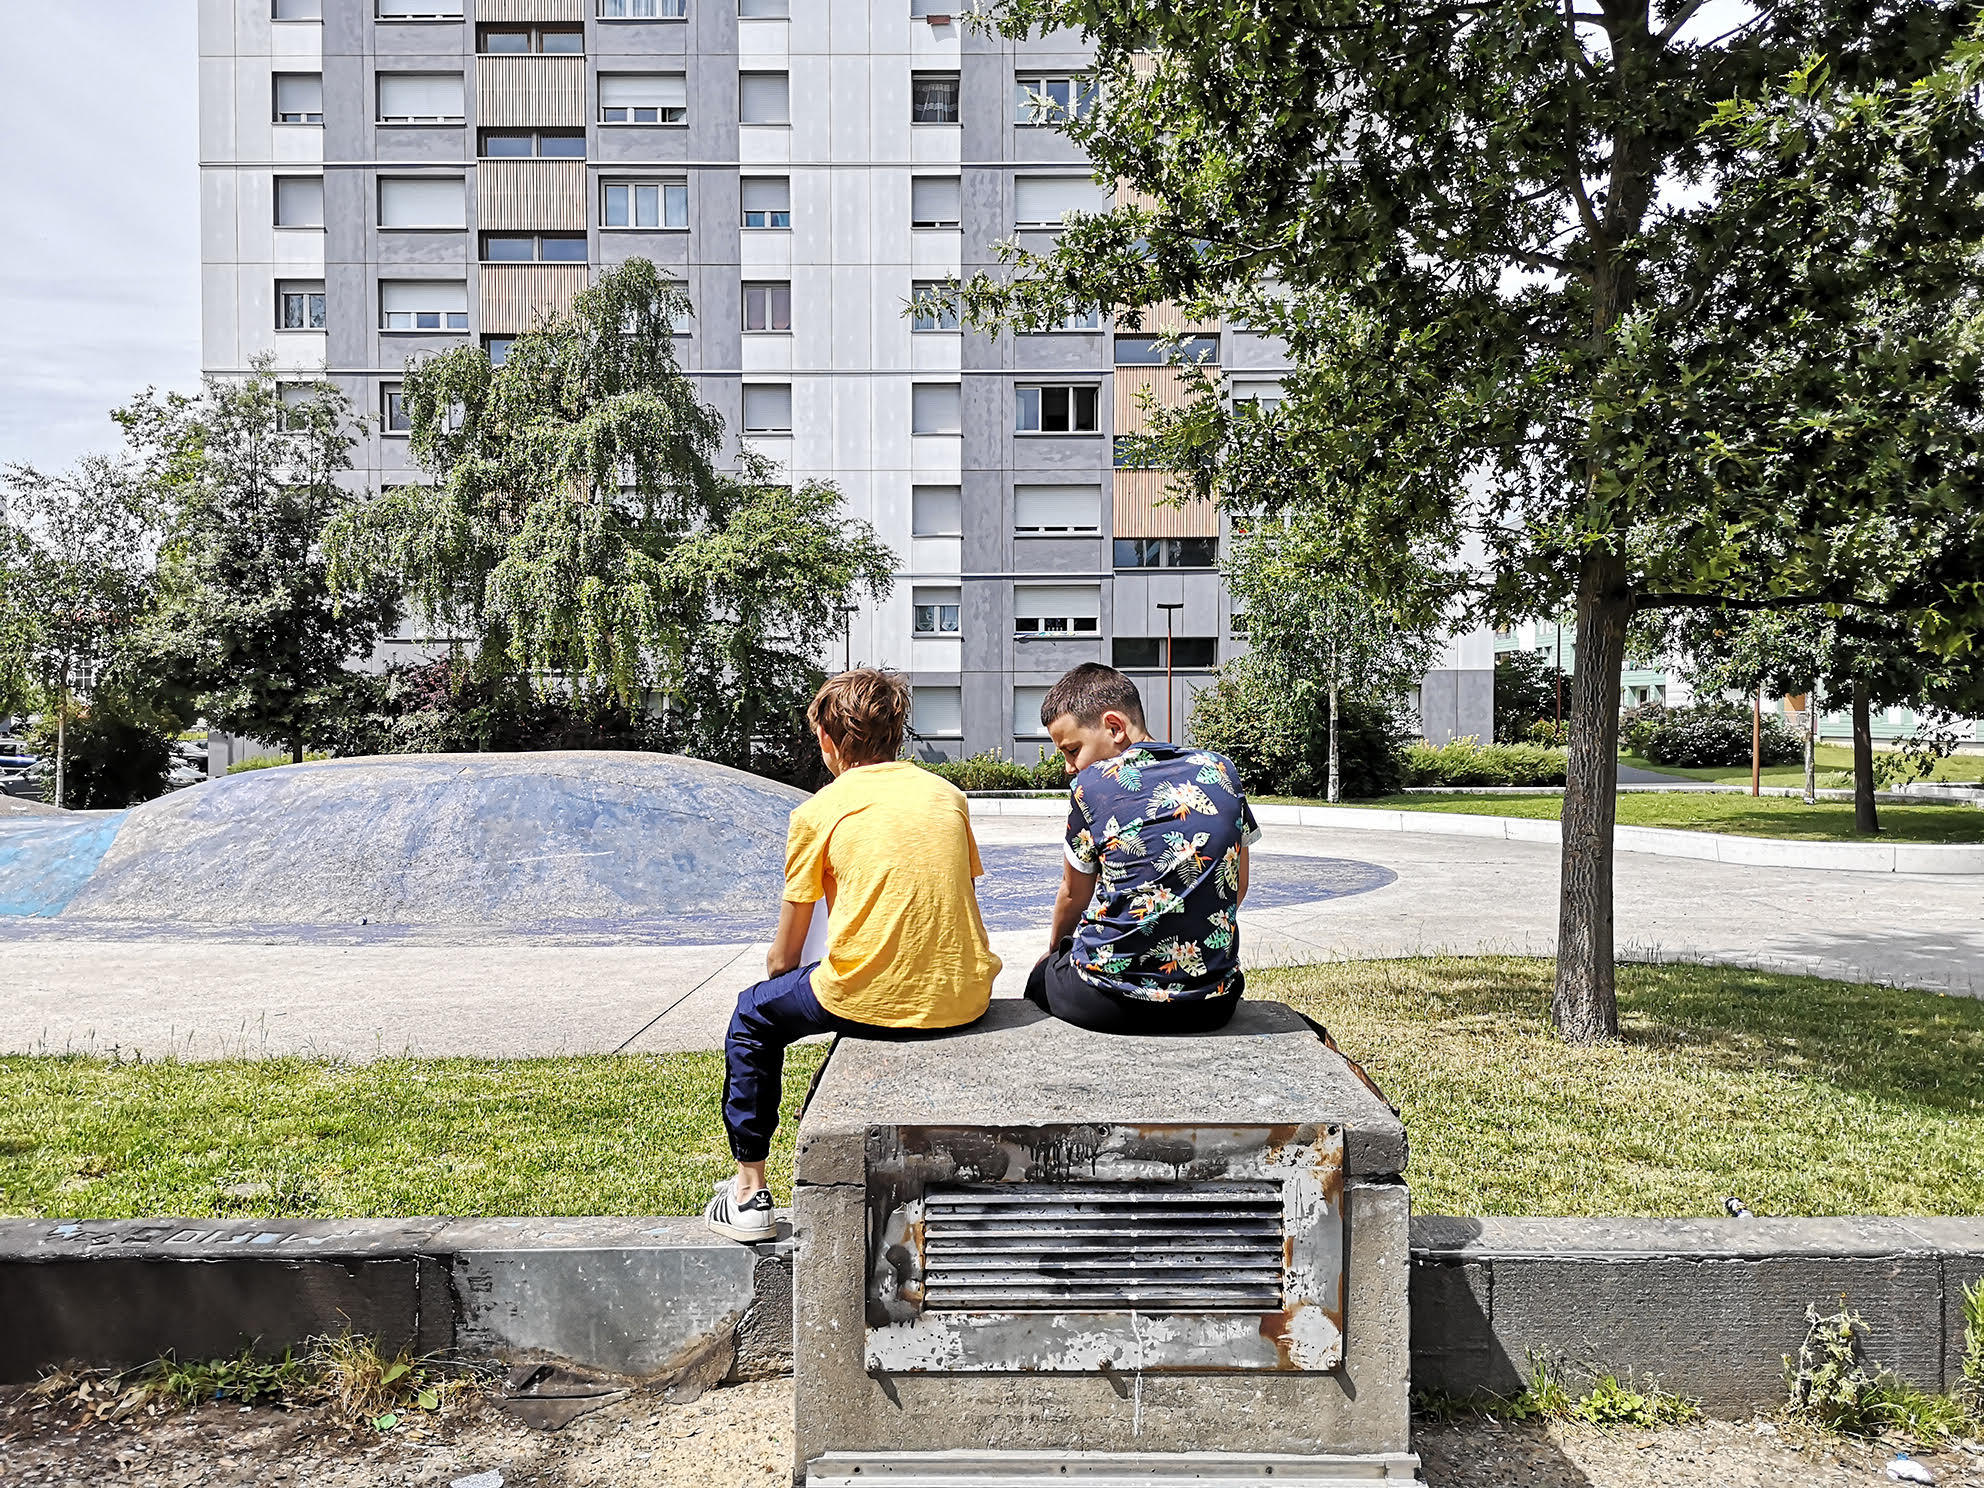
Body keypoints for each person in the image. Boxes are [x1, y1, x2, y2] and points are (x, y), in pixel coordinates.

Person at [704, 668, 1001, 1242]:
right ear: (898, 734)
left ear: (828, 740)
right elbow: (946, 896)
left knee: (750, 1018)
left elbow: (786, 955)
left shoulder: (820, 810)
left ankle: (748, 1192)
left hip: (871, 997)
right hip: (965, 993)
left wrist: (781, 975)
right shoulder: (948, 796)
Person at [1026, 662, 1259, 1035]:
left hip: (1109, 1002)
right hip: (1212, 1003)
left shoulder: (1093, 784)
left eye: (1072, 750)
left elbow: (1072, 895)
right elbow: (1237, 885)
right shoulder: (1221, 769)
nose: (1070, 766)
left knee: (1041, 979)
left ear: (1114, 727)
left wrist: (1055, 954)